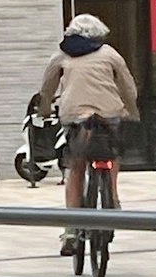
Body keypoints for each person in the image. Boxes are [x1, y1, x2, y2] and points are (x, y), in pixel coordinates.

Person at [37, 14, 139, 256]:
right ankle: (112, 198)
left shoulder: (62, 54)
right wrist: (131, 110)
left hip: (75, 116)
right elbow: (127, 86)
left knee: (75, 166)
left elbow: (47, 87)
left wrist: (44, 109)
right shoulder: (110, 53)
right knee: (110, 151)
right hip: (108, 113)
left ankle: (72, 229)